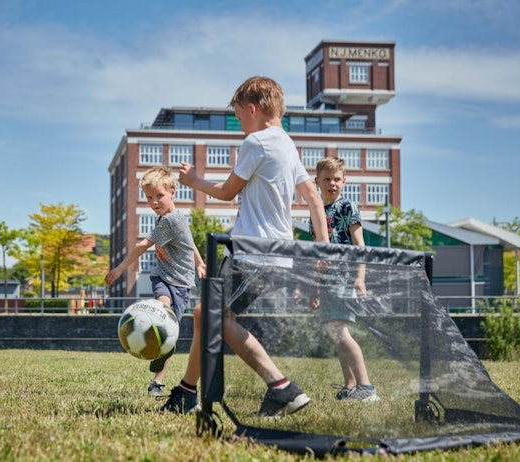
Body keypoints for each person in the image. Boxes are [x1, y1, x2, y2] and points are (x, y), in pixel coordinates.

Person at [160, 76, 330, 417]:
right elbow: (312, 197)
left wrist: (193, 181)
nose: (240, 125)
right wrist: (321, 248)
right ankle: (186, 392)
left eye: (239, 117)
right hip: (275, 254)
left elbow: (226, 191)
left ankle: (281, 386)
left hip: (251, 252)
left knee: (212, 316)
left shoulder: (257, 142)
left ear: (253, 109)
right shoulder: (286, 144)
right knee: (204, 314)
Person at [105, 166, 206, 396]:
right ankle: (157, 352)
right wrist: (199, 263)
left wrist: (120, 269)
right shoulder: (166, 218)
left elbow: (144, 245)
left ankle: (157, 381)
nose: (154, 202)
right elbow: (190, 244)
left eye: (159, 196)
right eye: (149, 197)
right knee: (163, 308)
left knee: (168, 332)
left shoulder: (172, 221)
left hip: (180, 284)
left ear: (173, 192)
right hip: (162, 277)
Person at [309, 157, 378, 402]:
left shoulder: (347, 207)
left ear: (344, 181)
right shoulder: (316, 212)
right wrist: (315, 289)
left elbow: (360, 245)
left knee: (341, 331)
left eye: (337, 179)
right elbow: (318, 255)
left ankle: (366, 388)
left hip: (344, 279)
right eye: (327, 179)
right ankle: (350, 386)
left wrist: (360, 278)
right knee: (336, 332)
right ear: (317, 181)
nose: (332, 184)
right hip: (326, 282)